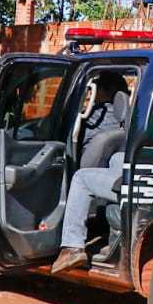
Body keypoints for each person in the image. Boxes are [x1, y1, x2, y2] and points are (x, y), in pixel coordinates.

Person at [51, 73, 129, 274]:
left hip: (131, 186)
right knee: (116, 158)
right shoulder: (131, 116)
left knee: (81, 178)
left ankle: (72, 246)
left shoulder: (96, 116)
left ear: (103, 92)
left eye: (95, 90)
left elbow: (65, 134)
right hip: (131, 178)